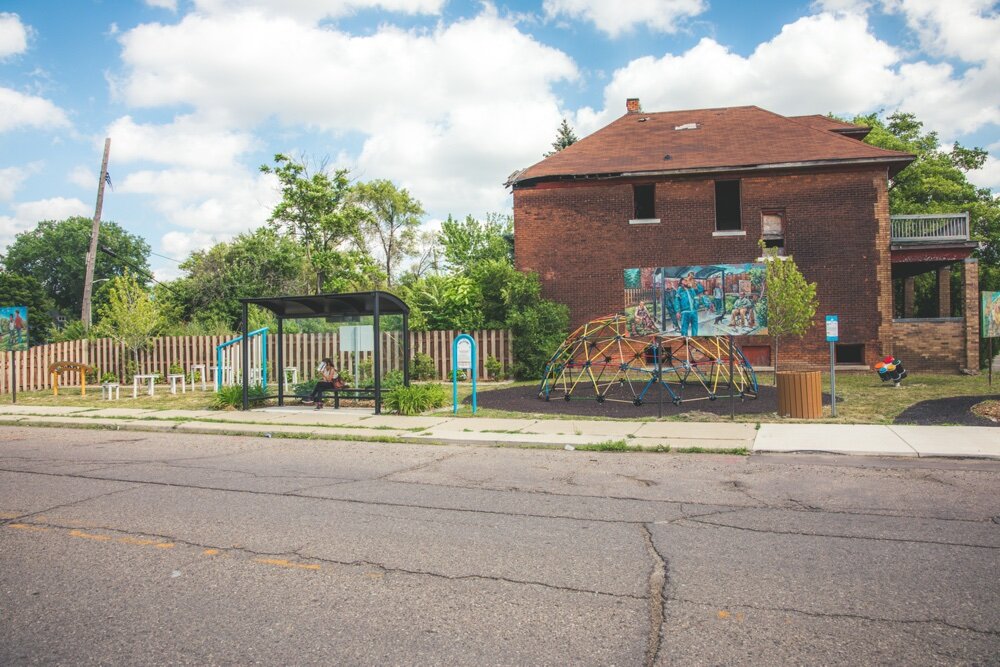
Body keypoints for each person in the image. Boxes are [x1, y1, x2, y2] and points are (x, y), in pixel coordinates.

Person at [674, 272, 705, 337]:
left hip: (694, 312)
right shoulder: (680, 290)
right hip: (685, 312)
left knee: (695, 329)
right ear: (682, 281)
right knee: (684, 330)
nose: (688, 281)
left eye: (688, 280)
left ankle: (695, 340)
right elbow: (677, 301)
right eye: (686, 280)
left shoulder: (691, 290)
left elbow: (701, 290)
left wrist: (696, 283)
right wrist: (677, 311)